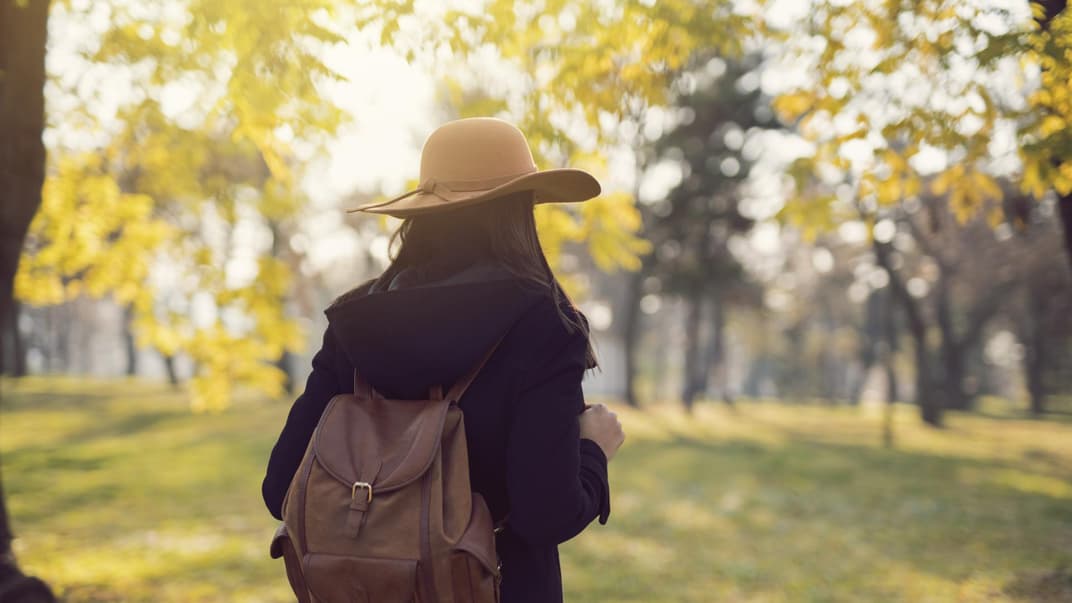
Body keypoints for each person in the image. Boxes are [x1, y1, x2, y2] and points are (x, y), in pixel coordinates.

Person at [261, 117, 626, 602]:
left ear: (423, 213)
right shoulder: (543, 327)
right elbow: (545, 514)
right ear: (519, 212)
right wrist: (594, 453)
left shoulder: (355, 322)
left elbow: (281, 487)